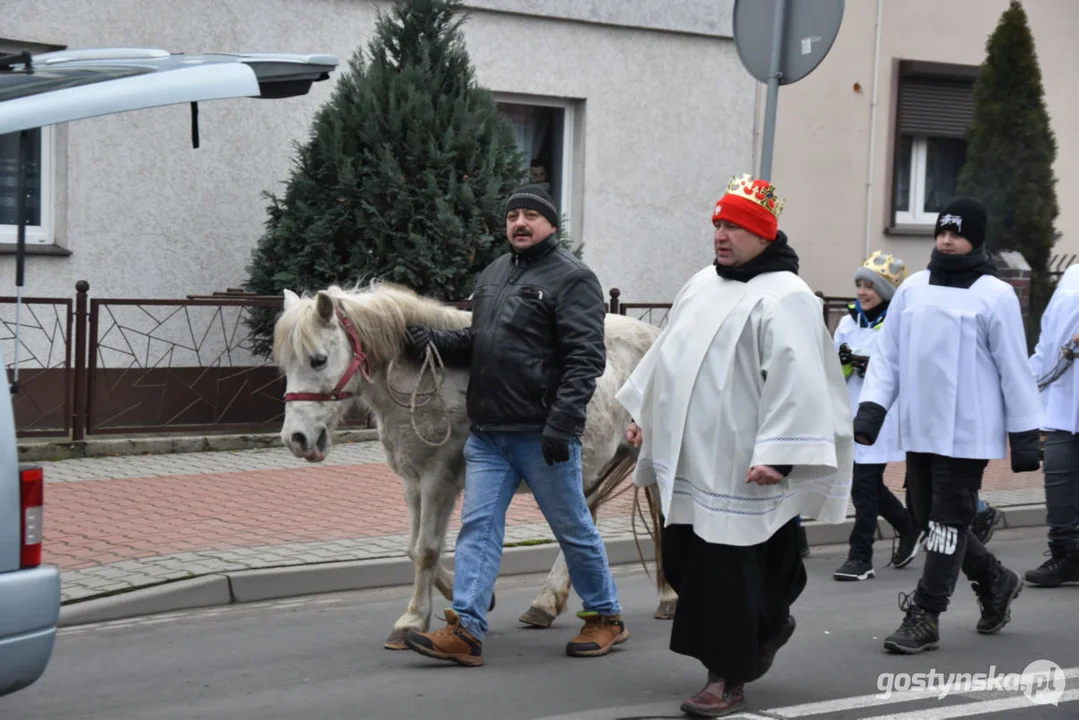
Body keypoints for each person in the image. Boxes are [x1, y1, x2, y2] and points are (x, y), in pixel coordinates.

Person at [618, 174, 853, 716]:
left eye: (736, 226)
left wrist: (780, 454)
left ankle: (727, 678)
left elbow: (799, 381)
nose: (722, 235)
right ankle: (770, 625)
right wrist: (646, 416)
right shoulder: (702, 281)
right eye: (719, 223)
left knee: (728, 574)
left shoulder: (787, 296)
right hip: (689, 456)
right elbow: (668, 353)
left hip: (743, 464)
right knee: (683, 561)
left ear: (765, 234)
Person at [400, 183, 627, 666]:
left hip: (541, 432)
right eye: (512, 216)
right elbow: (482, 341)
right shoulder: (495, 273)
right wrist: (433, 342)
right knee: (478, 529)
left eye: (530, 215)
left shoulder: (573, 278)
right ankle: (466, 628)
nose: (519, 223)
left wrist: (562, 424)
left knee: (572, 528)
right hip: (488, 434)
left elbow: (586, 357)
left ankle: (606, 616)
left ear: (549, 224)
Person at [853, 197, 1043, 654]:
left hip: (967, 430)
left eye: (956, 233)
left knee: (947, 521)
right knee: (926, 518)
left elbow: (1014, 368)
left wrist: (1024, 436)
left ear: (975, 239)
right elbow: (889, 356)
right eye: (942, 232)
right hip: (920, 426)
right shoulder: (914, 289)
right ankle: (996, 580)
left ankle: (926, 614)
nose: (946, 240)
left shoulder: (994, 295)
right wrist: (873, 410)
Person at [832, 251, 921, 581]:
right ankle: (908, 525)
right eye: (859, 284)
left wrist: (875, 367)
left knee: (864, 486)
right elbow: (833, 372)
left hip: (880, 418)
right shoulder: (846, 323)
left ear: (886, 292)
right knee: (864, 483)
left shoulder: (898, 325)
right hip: (851, 414)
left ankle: (861, 556)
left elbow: (907, 369)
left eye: (870, 286)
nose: (862, 292)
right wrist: (843, 363)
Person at [1024, 264, 1079, 586]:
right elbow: (1047, 343)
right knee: (1057, 475)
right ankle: (1066, 554)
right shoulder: (1072, 275)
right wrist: (1027, 389)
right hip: (1063, 404)